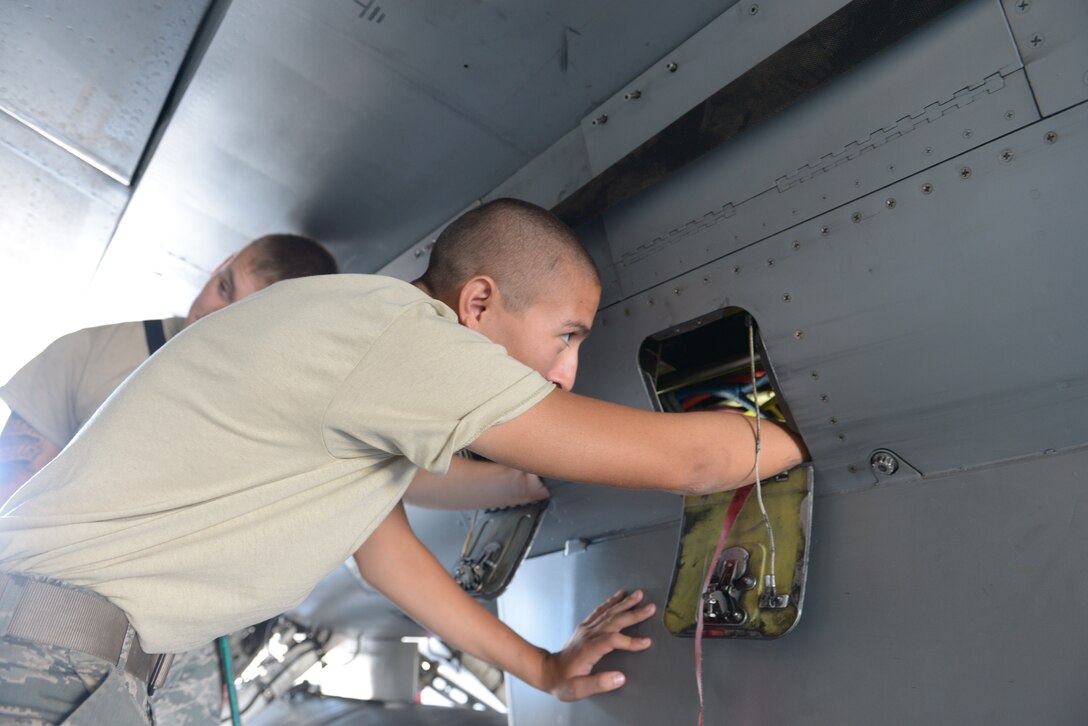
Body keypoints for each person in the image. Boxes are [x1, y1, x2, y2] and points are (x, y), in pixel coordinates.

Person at [0, 199, 808, 724]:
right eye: (567, 336)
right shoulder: (399, 337)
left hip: (74, 665)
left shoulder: (358, 354)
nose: (566, 372)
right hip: (48, 657)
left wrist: (543, 668)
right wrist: (806, 430)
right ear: (479, 303)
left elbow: (388, 559)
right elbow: (690, 462)